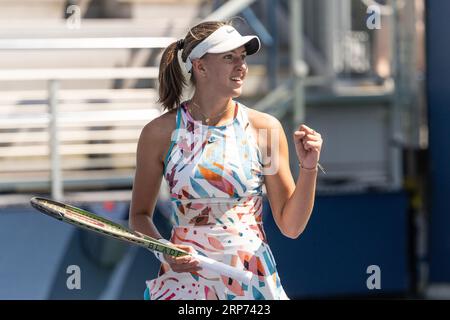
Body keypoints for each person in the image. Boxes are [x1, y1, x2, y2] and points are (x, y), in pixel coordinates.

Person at [129, 20, 323, 300]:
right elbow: (139, 216)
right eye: (229, 57)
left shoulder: (266, 129)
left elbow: (291, 227)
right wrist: (164, 251)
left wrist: (309, 167)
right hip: (186, 284)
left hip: (251, 281)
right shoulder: (158, 133)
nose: (241, 66)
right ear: (201, 66)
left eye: (242, 57)